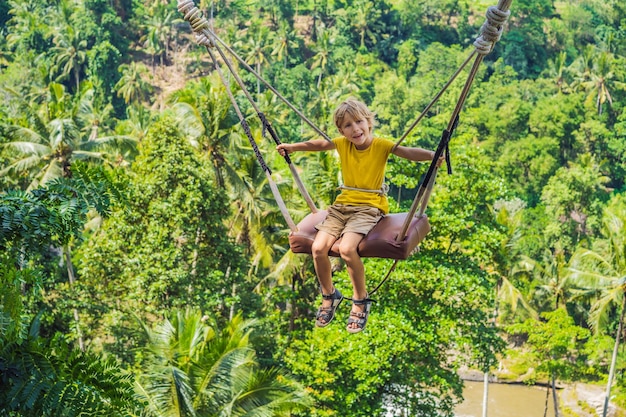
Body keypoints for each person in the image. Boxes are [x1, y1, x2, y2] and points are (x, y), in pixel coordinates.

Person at [276, 98, 442, 333]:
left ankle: (360, 299)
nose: (355, 129)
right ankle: (329, 294)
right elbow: (319, 145)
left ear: (368, 122)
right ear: (341, 131)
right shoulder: (343, 144)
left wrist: (433, 156)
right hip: (341, 206)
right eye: (347, 126)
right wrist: (292, 147)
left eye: (359, 122)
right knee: (318, 248)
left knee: (346, 249)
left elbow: (407, 152)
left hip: (369, 208)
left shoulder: (381, 145)